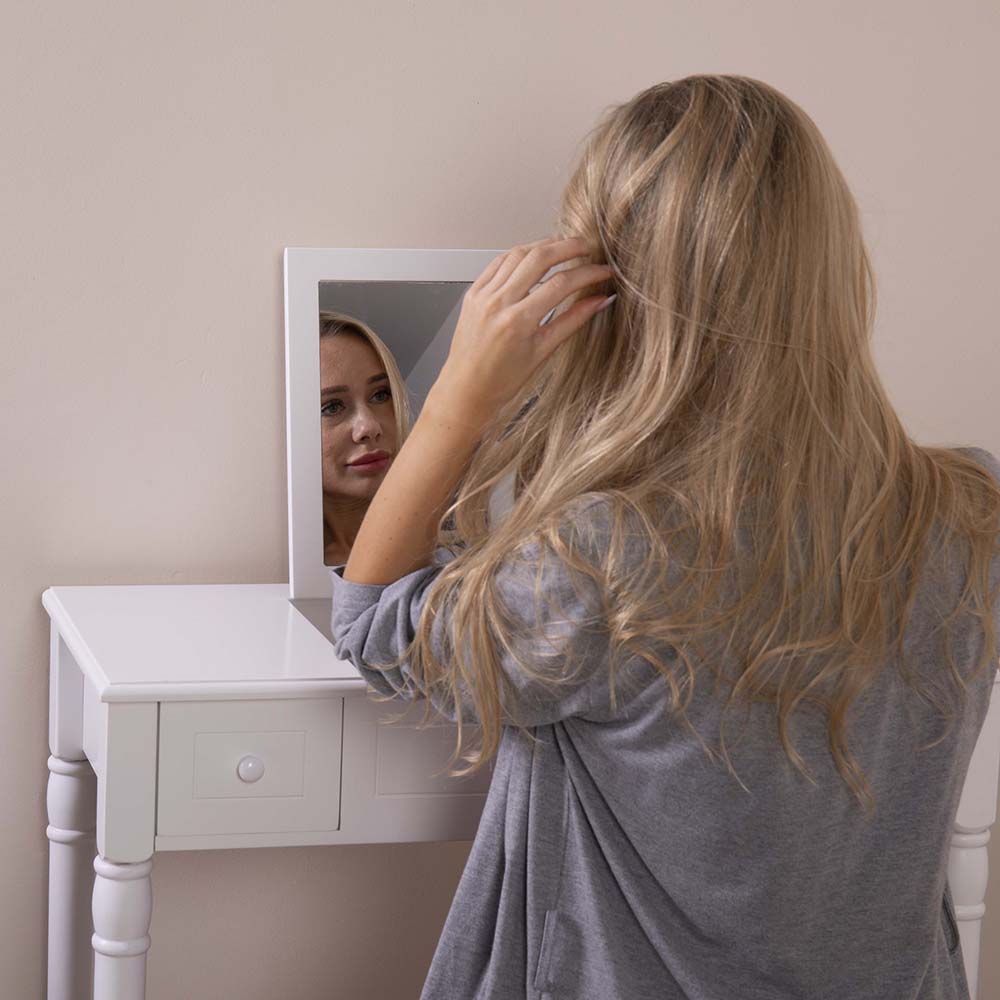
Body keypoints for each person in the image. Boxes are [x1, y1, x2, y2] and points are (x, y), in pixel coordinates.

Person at [329, 74, 1000, 1000]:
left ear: (613, 291)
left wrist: (455, 404)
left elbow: (371, 627)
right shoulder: (973, 517)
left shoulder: (601, 560)